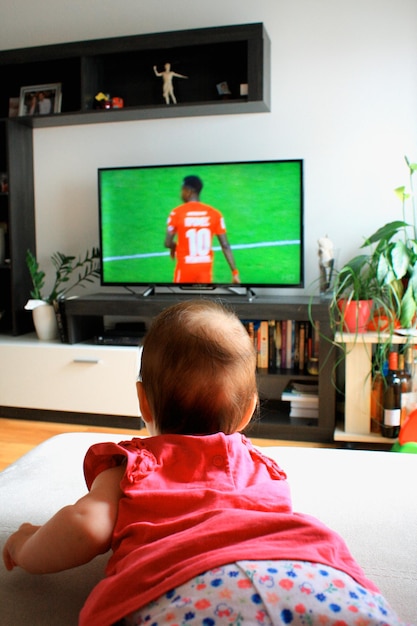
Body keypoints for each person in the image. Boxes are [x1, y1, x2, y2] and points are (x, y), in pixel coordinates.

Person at [3, 300, 408, 626]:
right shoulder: (260, 463)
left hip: (193, 591)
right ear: (248, 411)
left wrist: (25, 546)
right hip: (315, 576)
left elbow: (83, 526)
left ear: (143, 401)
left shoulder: (133, 464)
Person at [165, 175, 241, 284]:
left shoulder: (176, 213)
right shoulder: (215, 214)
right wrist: (235, 273)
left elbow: (167, 243)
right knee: (203, 300)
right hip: (204, 271)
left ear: (189, 191)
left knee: (181, 299)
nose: (181, 194)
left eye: (182, 190)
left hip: (185, 269)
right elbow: (225, 245)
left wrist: (174, 246)